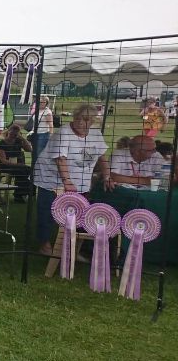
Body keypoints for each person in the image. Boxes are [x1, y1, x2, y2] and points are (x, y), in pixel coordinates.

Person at [33, 104, 111, 255]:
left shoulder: (95, 134)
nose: (81, 122)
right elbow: (60, 159)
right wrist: (67, 181)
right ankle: (44, 244)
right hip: (52, 179)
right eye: (78, 118)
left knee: (80, 213)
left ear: (93, 121)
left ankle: (73, 247)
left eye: (86, 119)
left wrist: (107, 175)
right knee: (47, 210)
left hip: (80, 180)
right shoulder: (64, 133)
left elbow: (102, 157)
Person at [0, 124, 32, 202]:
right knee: (22, 170)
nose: (13, 136)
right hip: (6, 166)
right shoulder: (1, 144)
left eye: (15, 134)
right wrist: (17, 165)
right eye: (12, 134)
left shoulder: (18, 141)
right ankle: (19, 195)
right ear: (8, 132)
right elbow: (4, 161)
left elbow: (29, 149)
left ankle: (26, 193)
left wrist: (23, 139)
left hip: (19, 166)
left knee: (30, 170)